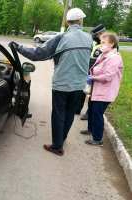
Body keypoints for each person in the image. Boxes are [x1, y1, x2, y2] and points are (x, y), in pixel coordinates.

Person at [10, 8, 93, 156]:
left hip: (62, 83)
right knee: (68, 114)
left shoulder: (62, 38)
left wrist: (18, 47)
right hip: (79, 85)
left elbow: (38, 54)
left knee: (59, 114)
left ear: (67, 22)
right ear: (81, 21)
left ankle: (57, 146)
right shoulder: (89, 38)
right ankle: (62, 138)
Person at [82, 32, 123, 146]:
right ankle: (91, 129)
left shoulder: (114, 58)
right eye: (101, 42)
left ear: (112, 43)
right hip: (97, 89)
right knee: (91, 109)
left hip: (105, 91)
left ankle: (98, 139)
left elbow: (108, 76)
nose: (101, 45)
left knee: (97, 113)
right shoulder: (104, 54)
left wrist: (93, 77)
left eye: (104, 42)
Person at [78, 24, 106, 120]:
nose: (93, 36)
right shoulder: (95, 41)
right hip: (88, 69)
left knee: (93, 94)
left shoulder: (107, 43)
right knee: (83, 90)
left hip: (98, 73)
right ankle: (77, 109)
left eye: (95, 34)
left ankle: (88, 113)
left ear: (100, 33)